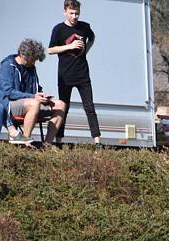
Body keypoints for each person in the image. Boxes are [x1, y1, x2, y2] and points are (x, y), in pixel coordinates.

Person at [47, 0, 100, 144]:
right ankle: (59, 141)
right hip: (65, 76)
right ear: (65, 12)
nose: (74, 16)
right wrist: (69, 46)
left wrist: (85, 51)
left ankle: (97, 142)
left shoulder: (84, 27)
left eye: (77, 13)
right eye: (71, 13)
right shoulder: (58, 29)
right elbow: (50, 50)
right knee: (64, 108)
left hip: (83, 75)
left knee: (89, 108)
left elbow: (92, 38)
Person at [0, 39, 66, 145]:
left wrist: (42, 95)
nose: (34, 62)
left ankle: (47, 144)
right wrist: (33, 96)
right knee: (34, 103)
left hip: (32, 102)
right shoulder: (8, 66)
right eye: (33, 59)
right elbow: (8, 92)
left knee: (60, 105)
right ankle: (25, 142)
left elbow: (36, 88)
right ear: (23, 55)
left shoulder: (31, 67)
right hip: (10, 104)